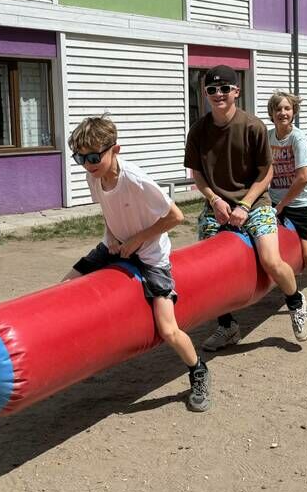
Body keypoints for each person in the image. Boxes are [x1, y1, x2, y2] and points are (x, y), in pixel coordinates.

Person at [64, 114, 211, 413]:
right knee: (66, 286)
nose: (88, 165)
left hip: (151, 256)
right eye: (80, 158)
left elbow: (176, 216)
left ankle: (198, 371)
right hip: (117, 245)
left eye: (93, 157)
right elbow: (110, 212)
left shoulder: (135, 180)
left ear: (114, 150)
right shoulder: (94, 177)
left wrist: (138, 240)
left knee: (168, 329)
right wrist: (112, 239)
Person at [184, 65, 307, 352]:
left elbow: (266, 173)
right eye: (212, 89)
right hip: (217, 205)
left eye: (224, 89)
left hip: (255, 203)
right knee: (210, 271)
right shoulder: (198, 130)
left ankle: (295, 303)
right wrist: (214, 200)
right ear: (205, 93)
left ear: (236, 91)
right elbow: (198, 175)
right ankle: (227, 326)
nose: (218, 94)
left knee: (271, 260)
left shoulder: (252, 126)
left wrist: (244, 204)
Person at [267, 91, 307, 317]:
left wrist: (281, 205)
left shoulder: (298, 138)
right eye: (278, 109)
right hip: (275, 200)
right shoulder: (268, 137)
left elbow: (303, 178)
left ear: (294, 112)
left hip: (301, 203)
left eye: (287, 108)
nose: (283, 113)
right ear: (271, 113)